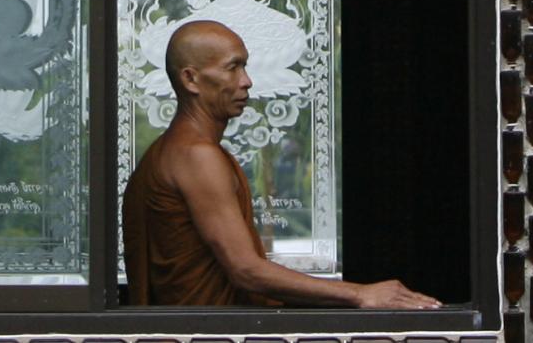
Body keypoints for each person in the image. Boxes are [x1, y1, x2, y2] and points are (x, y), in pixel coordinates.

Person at [122, 19, 441, 309]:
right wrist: (360, 294)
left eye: (244, 67)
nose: (246, 81)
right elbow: (246, 270)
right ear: (191, 79)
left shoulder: (164, 153)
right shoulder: (196, 156)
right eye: (232, 68)